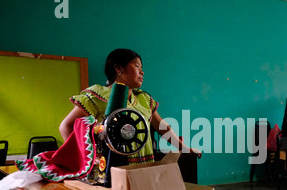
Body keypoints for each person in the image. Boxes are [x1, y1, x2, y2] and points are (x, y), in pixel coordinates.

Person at [59, 48, 201, 164]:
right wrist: (86, 158)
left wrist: (185, 149)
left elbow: (163, 128)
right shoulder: (98, 97)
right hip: (112, 169)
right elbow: (66, 126)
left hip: (144, 167)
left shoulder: (143, 99)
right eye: (137, 65)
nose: (142, 72)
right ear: (119, 68)